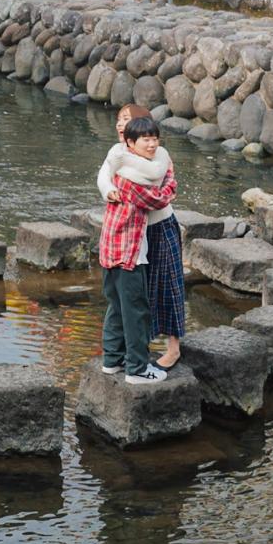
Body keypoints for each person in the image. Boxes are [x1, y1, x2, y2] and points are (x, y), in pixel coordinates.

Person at [97, 115, 175, 384]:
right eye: (146, 140)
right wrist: (170, 186)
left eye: (155, 139)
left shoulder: (119, 168)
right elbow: (160, 198)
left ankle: (112, 361)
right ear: (130, 143)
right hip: (128, 252)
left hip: (110, 249)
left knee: (117, 307)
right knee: (136, 311)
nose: (152, 144)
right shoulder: (133, 180)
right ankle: (137, 369)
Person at [116, 103, 185, 369]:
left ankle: (174, 348)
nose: (120, 124)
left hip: (161, 226)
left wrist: (164, 194)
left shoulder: (157, 153)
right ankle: (138, 345)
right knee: (139, 290)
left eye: (126, 119)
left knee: (169, 284)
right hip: (134, 232)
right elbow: (112, 182)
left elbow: (163, 189)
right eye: (119, 120)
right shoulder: (119, 154)